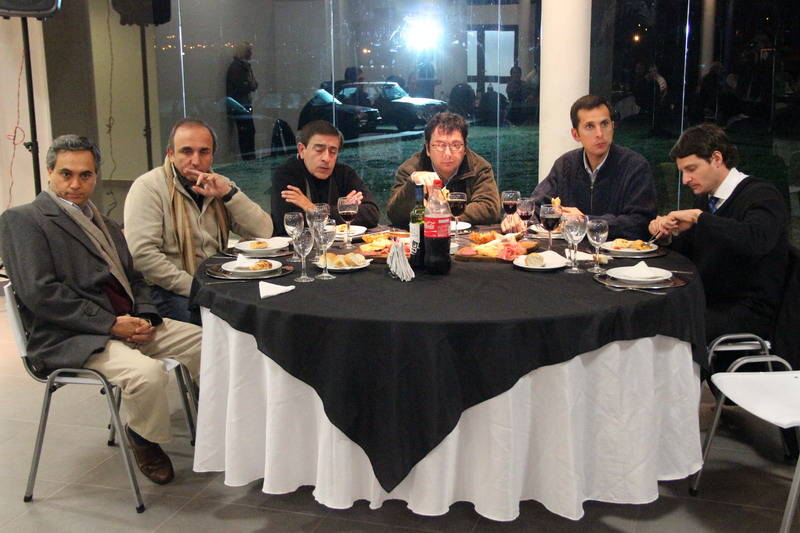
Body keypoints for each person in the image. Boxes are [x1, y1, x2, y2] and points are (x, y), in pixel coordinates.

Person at [0, 135, 202, 485]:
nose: (75, 184)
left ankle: (215, 424)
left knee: (206, 343)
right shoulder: (24, 220)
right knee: (147, 375)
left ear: (96, 176)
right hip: (72, 335)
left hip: (126, 322)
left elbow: (135, 278)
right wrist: (110, 324)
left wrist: (144, 316)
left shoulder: (105, 223)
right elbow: (41, 293)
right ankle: (142, 437)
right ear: (49, 172)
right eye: (66, 174)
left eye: (85, 175)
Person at [649, 123, 788, 354]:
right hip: (708, 300)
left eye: (691, 169)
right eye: (682, 172)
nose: (685, 180)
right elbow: (694, 252)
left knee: (663, 327)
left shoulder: (762, 195)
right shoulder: (707, 199)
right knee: (650, 313)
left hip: (747, 310)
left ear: (716, 158)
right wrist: (667, 237)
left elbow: (755, 240)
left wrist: (700, 218)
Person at [125, 118, 272, 323]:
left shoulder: (219, 184)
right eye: (186, 151)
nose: (195, 160)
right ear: (171, 154)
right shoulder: (149, 187)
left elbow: (264, 231)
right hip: (166, 290)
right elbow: (142, 255)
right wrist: (197, 287)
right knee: (223, 324)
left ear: (212, 155)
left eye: (204, 152)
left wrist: (229, 194)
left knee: (264, 314)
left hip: (217, 282)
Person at [503, 95, 656, 239]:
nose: (599, 134)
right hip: (568, 253)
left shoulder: (635, 166)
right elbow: (537, 205)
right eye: (590, 126)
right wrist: (515, 216)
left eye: (604, 124)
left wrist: (586, 221)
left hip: (619, 255)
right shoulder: (565, 165)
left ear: (613, 126)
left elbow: (641, 223)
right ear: (575, 134)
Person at [386, 112, 501, 227]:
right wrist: (412, 185)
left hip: (468, 236)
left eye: (456, 145)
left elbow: (489, 208)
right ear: (428, 149)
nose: (448, 154)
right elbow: (394, 214)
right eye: (440, 145)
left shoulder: (478, 168)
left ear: (465, 148)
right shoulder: (411, 170)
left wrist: (437, 213)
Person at [271, 120, 379, 235]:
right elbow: (288, 225)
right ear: (302, 150)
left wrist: (311, 208)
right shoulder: (286, 175)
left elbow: (371, 214)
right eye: (319, 150)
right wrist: (343, 210)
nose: (326, 158)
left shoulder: (344, 173)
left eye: (333, 151)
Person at [226, 42, 258, 160]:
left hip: (241, 105)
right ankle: (249, 159)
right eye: (249, 51)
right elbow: (245, 86)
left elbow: (250, 85)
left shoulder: (242, 67)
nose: (251, 53)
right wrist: (250, 85)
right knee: (246, 134)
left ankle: (249, 159)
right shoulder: (238, 68)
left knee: (248, 133)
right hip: (240, 106)